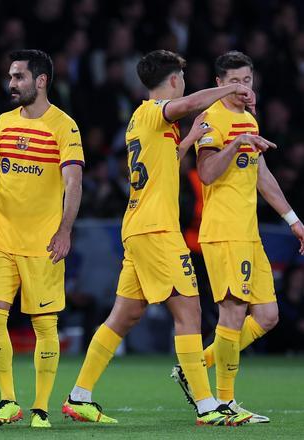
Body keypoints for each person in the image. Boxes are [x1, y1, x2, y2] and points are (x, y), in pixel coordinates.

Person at [62, 50, 256, 426]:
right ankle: (206, 405)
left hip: (138, 227)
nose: (183, 82)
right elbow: (183, 105)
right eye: (181, 76)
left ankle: (79, 396)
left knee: (124, 315)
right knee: (190, 312)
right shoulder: (155, 110)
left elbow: (161, 163)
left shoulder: (140, 121)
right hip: (156, 230)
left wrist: (189, 140)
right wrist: (230, 87)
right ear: (173, 80)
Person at [0, 49, 84, 428]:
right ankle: (8, 400)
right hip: (0, 237)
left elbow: (73, 182)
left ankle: (41, 407)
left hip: (43, 242)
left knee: (44, 326)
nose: (12, 84)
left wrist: (64, 229)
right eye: (10, 77)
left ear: (41, 81)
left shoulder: (64, 126)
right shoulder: (3, 123)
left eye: (19, 77)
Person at [172, 50, 304, 422]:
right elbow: (208, 172)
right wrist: (238, 142)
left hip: (249, 233)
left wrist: (293, 219)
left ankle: (196, 365)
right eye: (234, 81)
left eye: (247, 80)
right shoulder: (210, 118)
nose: (243, 88)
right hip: (223, 231)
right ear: (219, 84)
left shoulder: (248, 119)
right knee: (231, 314)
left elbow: (262, 175)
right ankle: (225, 403)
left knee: (267, 316)